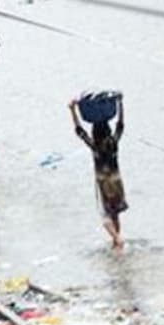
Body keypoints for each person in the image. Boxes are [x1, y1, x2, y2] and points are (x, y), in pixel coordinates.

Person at [69, 96, 127, 251]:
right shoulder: (113, 143)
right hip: (117, 180)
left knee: (105, 215)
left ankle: (117, 239)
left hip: (103, 182)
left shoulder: (95, 146)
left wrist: (72, 110)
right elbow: (120, 126)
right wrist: (120, 104)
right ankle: (116, 244)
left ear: (95, 133)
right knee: (115, 213)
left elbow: (80, 131)